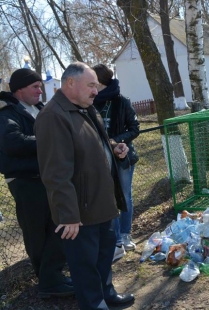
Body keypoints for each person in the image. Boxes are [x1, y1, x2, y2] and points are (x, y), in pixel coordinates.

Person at [34, 62, 135, 309]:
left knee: (103, 258)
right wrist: (68, 216)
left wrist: (114, 148)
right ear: (70, 83)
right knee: (85, 263)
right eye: (91, 85)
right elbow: (55, 173)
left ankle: (107, 294)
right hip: (80, 211)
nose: (96, 91)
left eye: (96, 85)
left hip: (102, 202)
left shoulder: (84, 108)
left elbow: (92, 143)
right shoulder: (53, 116)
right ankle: (93, 303)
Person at [0, 68, 73, 298]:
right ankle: (49, 282)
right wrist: (52, 141)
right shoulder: (6, 112)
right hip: (25, 181)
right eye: (35, 86)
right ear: (19, 89)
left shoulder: (40, 108)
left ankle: (53, 276)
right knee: (37, 232)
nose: (41, 90)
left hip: (46, 178)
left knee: (57, 226)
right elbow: (13, 142)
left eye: (40, 86)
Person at [92, 64, 140, 262]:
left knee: (124, 197)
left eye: (93, 81)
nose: (91, 86)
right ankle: (116, 241)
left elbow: (134, 128)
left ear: (101, 82)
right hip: (99, 159)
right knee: (110, 199)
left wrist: (115, 142)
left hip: (123, 157)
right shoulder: (89, 103)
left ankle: (125, 235)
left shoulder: (121, 102)